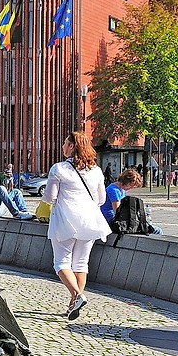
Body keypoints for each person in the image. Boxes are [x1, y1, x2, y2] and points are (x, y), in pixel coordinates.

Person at [43, 131, 108, 320]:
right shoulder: (96, 170)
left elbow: (50, 197)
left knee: (61, 262)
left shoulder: (59, 169)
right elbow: (101, 199)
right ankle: (73, 304)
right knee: (81, 263)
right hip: (89, 221)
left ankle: (78, 296)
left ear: (72, 147)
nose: (63, 146)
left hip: (65, 220)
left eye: (65, 143)